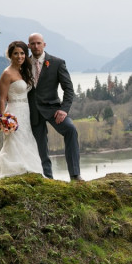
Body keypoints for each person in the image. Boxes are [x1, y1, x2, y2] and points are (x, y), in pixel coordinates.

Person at [0, 41, 44, 184]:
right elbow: (2, 100)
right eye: (16, 53)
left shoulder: (23, 71)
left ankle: (28, 168)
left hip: (25, 111)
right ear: (10, 55)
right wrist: (4, 120)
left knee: (26, 139)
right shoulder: (7, 73)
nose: (19, 56)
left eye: (22, 53)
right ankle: (14, 170)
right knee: (14, 141)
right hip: (14, 112)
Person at [27, 33, 82, 181]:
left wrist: (64, 109)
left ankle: (75, 175)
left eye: (38, 43)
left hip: (53, 109)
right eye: (32, 43)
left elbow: (69, 89)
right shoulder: (23, 63)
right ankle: (48, 178)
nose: (36, 46)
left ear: (44, 44)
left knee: (70, 129)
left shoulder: (57, 63)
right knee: (41, 145)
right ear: (28, 46)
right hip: (31, 111)